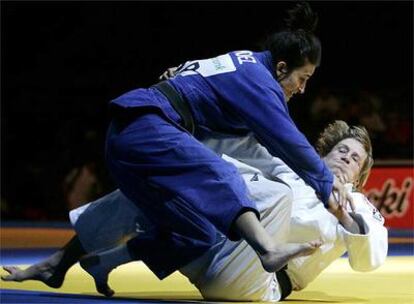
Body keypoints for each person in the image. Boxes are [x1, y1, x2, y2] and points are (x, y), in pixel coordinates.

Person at [85, 1, 352, 289]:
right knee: (221, 175)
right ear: (282, 67)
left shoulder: (244, 62)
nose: (302, 89)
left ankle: (100, 263)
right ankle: (268, 250)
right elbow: (287, 139)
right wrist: (325, 182)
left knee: (199, 232)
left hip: (137, 134)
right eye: (303, 79)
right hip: (144, 125)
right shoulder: (258, 80)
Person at [2, 121, 388, 301]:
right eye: (342, 151)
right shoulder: (290, 167)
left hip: (251, 282)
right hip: (208, 250)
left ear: (361, 173)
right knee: (162, 182)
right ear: (323, 152)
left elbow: (368, 261)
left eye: (355, 159)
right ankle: (60, 263)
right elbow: (237, 144)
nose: (346, 160)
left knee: (271, 195)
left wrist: (344, 215)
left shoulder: (360, 209)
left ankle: (124, 254)